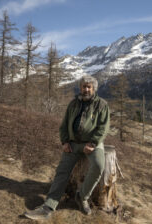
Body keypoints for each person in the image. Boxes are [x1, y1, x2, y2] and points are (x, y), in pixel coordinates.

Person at [24, 76, 110, 220]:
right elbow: (63, 126)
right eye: (84, 86)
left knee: (99, 165)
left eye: (89, 87)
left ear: (94, 89)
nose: (86, 89)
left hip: (92, 144)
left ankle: (82, 197)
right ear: (80, 88)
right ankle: (49, 206)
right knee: (62, 172)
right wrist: (65, 142)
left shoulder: (101, 104)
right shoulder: (73, 104)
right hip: (73, 144)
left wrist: (93, 143)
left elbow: (103, 128)